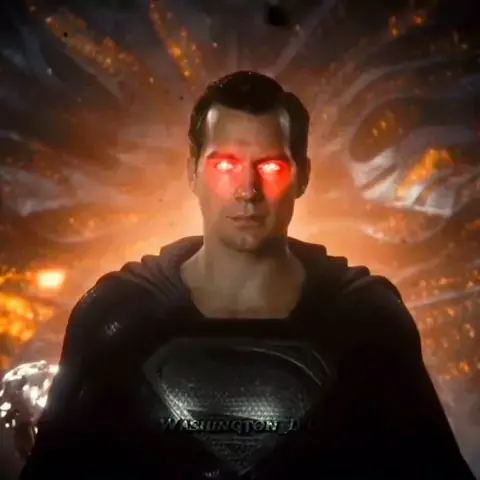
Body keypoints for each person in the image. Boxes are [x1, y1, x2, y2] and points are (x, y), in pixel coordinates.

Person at [19, 71, 475, 479]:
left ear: (302, 177)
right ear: (192, 173)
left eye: (270, 166)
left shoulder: (366, 322)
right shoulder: (116, 320)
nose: (247, 191)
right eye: (225, 165)